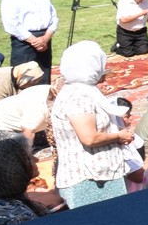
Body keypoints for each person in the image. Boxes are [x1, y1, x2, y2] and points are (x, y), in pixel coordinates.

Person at [50, 42, 141, 207]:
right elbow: (89, 138)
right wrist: (119, 135)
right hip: (89, 180)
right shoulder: (78, 97)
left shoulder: (83, 90)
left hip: (101, 174)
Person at [0, 0, 57, 75]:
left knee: (44, 75)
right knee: (23, 77)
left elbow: (53, 17)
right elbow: (11, 23)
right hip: (23, 42)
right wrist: (33, 40)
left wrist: (46, 37)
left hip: (44, 37)